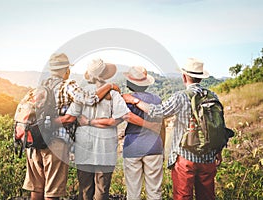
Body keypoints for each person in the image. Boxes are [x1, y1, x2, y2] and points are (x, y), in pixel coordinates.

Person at [22, 53, 121, 200]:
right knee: (52, 192)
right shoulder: (68, 85)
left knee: (36, 189)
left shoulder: (41, 86)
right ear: (66, 70)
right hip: (55, 143)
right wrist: (110, 86)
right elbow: (90, 99)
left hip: (34, 141)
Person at [122, 58, 223, 200]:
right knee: (206, 196)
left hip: (185, 156)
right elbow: (218, 126)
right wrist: (218, 151)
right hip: (209, 156)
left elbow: (158, 112)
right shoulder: (213, 96)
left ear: (184, 76)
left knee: (183, 196)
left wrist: (135, 100)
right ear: (200, 78)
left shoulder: (181, 97)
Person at [64, 58, 130, 200]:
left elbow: (72, 116)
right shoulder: (113, 94)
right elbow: (117, 120)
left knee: (85, 188)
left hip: (83, 145)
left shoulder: (82, 94)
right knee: (102, 188)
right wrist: (97, 122)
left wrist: (88, 122)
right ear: (106, 74)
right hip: (105, 146)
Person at [122, 66, 164, 200]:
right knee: (155, 191)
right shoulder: (157, 100)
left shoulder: (126, 100)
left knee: (133, 192)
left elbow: (123, 118)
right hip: (154, 146)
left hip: (133, 147)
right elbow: (162, 126)